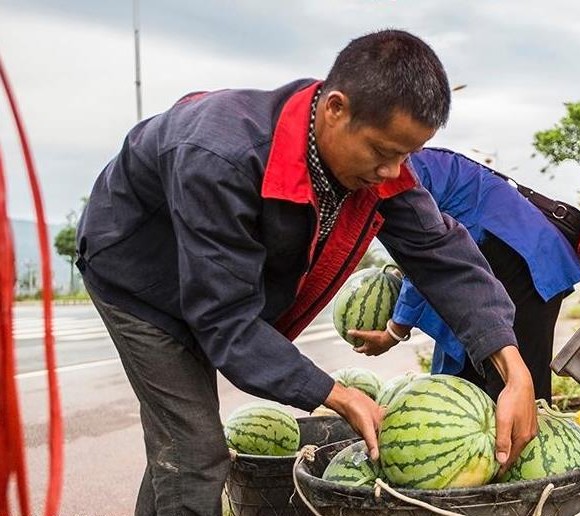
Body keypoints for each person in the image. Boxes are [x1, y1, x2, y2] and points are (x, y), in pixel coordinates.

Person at [76, 30, 536, 515]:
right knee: (194, 449)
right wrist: (334, 395)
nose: (391, 171)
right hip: (137, 279)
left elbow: (440, 252)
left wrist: (513, 367)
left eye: (406, 155)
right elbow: (224, 319)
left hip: (207, 279)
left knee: (181, 441)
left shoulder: (376, 161)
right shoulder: (220, 156)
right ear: (335, 108)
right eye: (382, 152)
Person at [352, 148, 580, 402]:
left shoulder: (391, 171)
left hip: (516, 255)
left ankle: (526, 439)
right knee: (462, 386)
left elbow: (428, 260)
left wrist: (394, 332)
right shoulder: (398, 161)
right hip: (500, 251)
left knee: (514, 388)